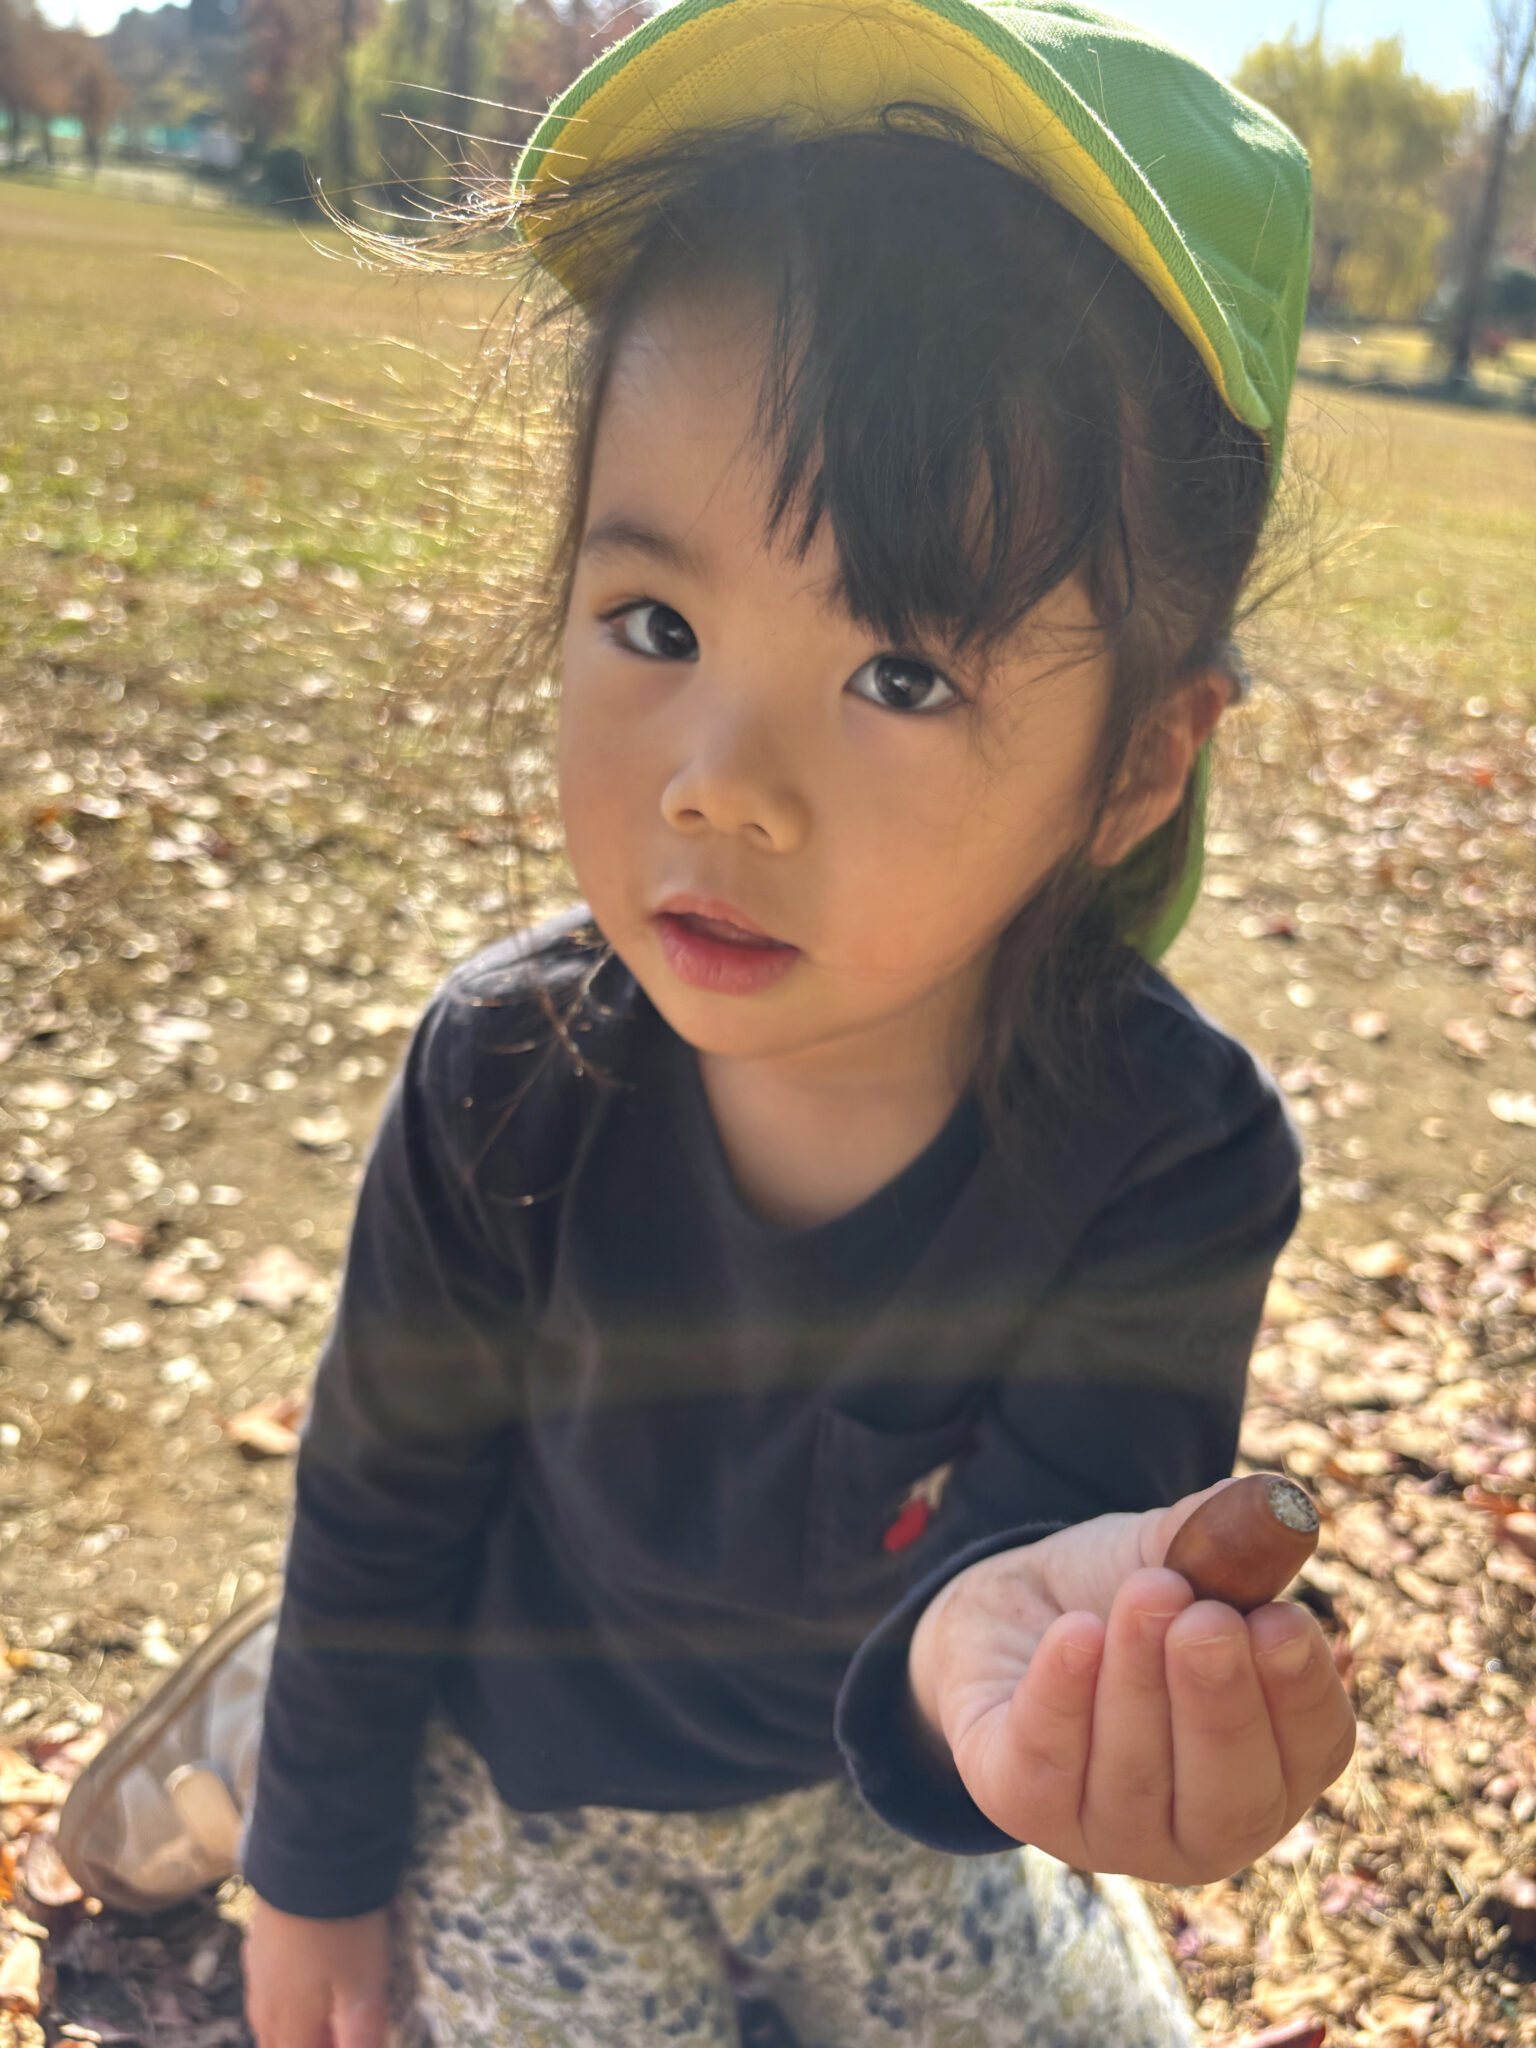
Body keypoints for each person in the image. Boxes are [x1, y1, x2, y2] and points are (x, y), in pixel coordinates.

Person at [57, 2, 1357, 2042]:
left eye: (904, 675)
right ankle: (269, 1721)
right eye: (655, 624)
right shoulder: (505, 1080)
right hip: (533, 1778)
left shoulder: (1170, 1152)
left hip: (871, 1801)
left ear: (1133, 766)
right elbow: (382, 1491)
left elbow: (1044, 1550)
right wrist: (315, 1872)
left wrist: (1017, 1683)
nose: (721, 786)